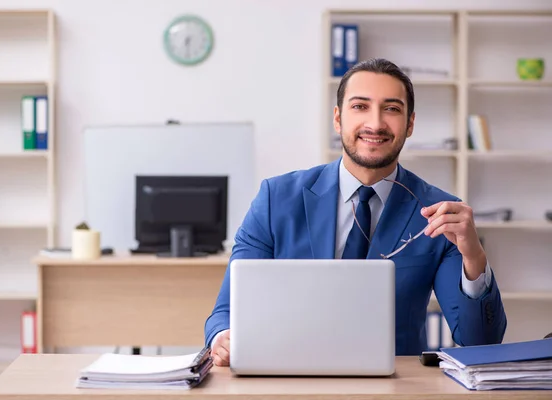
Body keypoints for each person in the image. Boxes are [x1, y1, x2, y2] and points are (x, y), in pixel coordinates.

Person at [204, 58, 507, 366]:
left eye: (391, 109)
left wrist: (474, 258)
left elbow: (479, 342)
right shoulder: (276, 198)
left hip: (396, 387)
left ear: (410, 123)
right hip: (289, 377)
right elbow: (226, 311)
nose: (375, 124)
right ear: (338, 119)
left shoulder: (441, 215)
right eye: (360, 106)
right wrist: (224, 337)